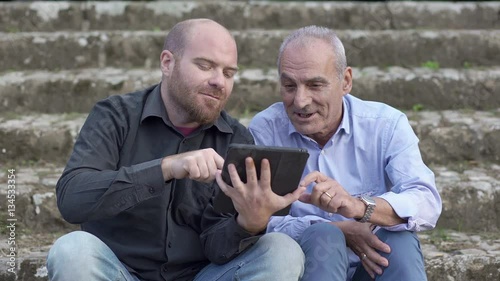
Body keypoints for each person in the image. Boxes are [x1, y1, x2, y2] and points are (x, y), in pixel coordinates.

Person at [46, 18, 306, 281]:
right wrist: (166, 168)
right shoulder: (115, 116)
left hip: (199, 276)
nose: (219, 81)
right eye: (206, 66)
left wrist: (249, 224)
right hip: (119, 273)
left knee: (282, 251)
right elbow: (72, 200)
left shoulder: (235, 138)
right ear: (167, 63)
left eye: (229, 73)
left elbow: (218, 247)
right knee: (72, 250)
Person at [249, 25, 442, 281]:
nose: (300, 101)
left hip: (373, 264)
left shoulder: (385, 124)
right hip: (307, 268)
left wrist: (359, 206)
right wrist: (335, 229)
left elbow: (426, 200)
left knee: (400, 239)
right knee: (324, 237)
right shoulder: (265, 131)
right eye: (289, 85)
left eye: (315, 85)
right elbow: (256, 221)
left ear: (346, 82)